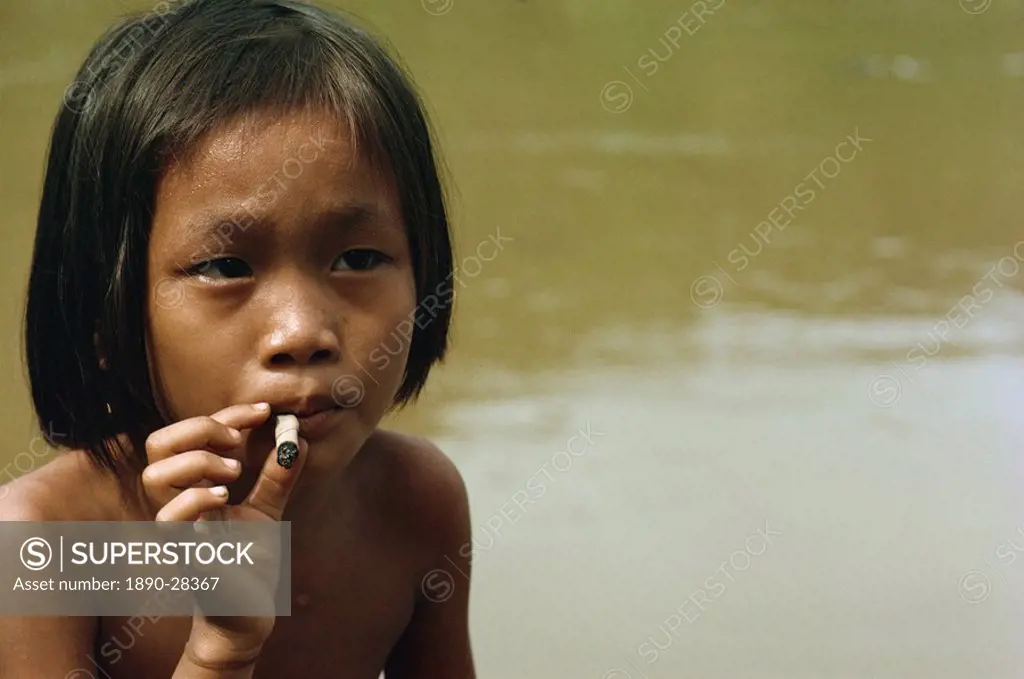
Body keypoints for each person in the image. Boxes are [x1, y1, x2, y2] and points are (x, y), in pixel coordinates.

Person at [1, 0, 474, 677]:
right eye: (225, 268)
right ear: (103, 315)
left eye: (358, 259)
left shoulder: (414, 500)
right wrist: (222, 649)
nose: (302, 333)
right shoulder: (57, 544)